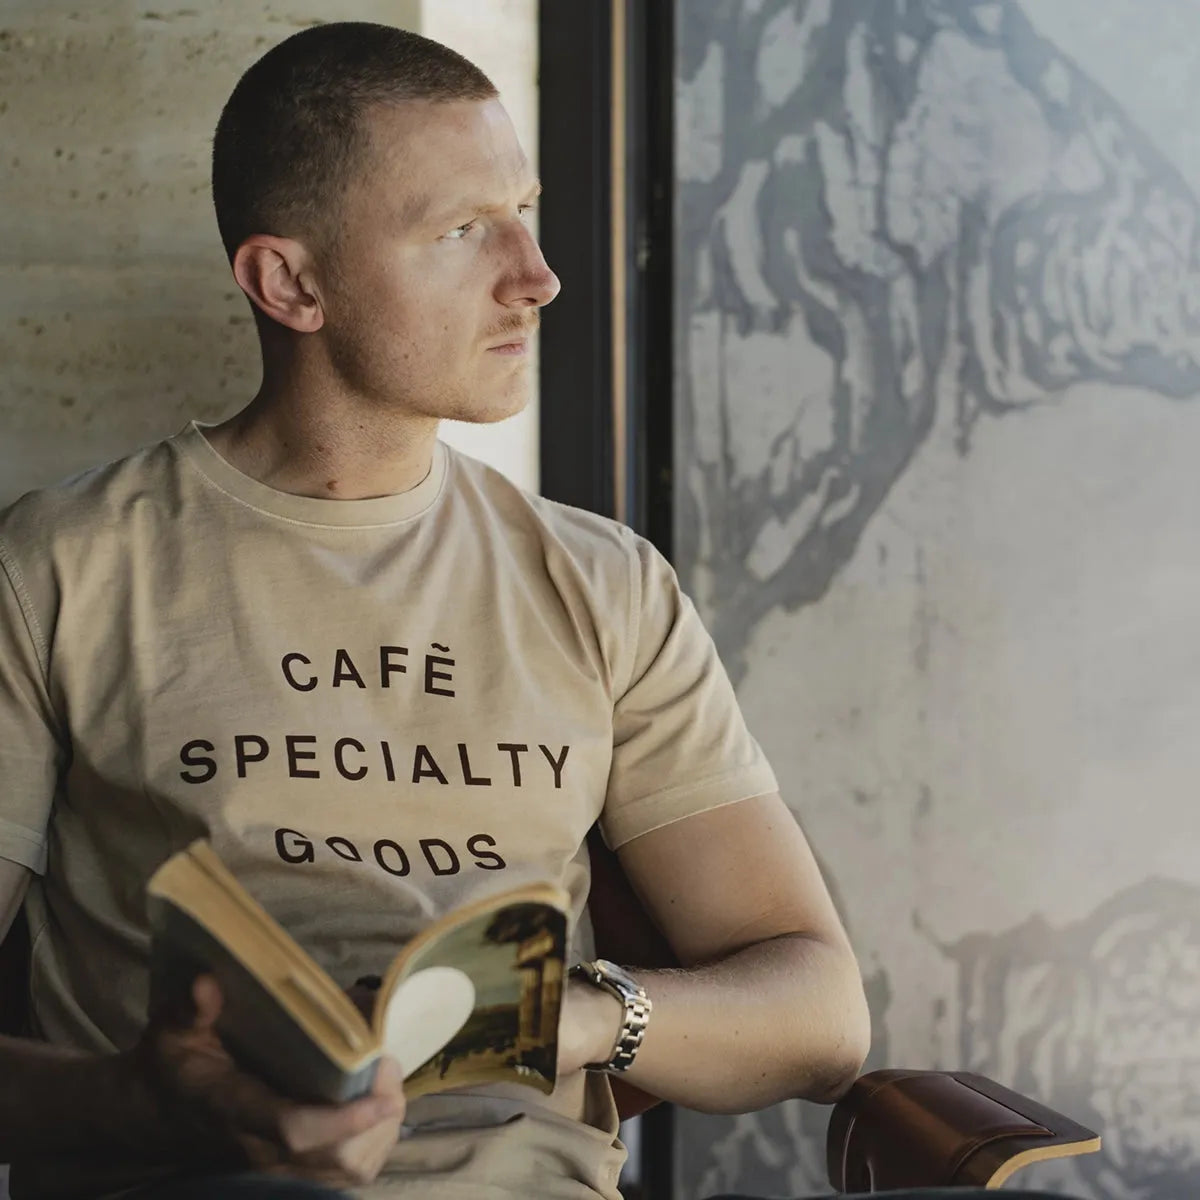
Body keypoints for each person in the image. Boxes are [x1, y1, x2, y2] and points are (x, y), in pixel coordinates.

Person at [0, 20, 871, 1200]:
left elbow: (822, 1019)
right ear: (290, 283)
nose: (537, 275)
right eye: (464, 230)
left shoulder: (604, 582)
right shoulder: (59, 566)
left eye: (526, 210)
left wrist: (566, 1016)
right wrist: (137, 1104)